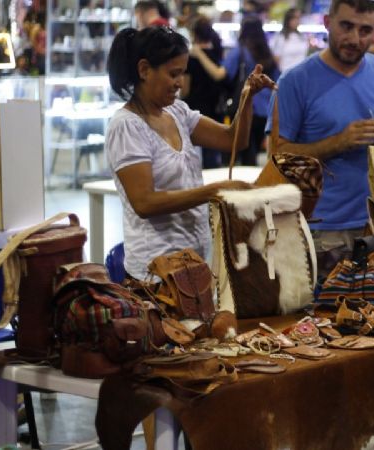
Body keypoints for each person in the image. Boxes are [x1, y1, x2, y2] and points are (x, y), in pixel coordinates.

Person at [105, 26, 275, 280]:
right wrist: (213, 192)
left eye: (183, 73)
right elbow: (144, 202)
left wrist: (247, 97)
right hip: (155, 273)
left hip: (192, 263)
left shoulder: (177, 112)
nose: (180, 83)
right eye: (173, 74)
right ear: (144, 70)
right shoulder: (127, 126)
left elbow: (233, 140)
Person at [267, 0, 374, 276]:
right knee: (319, 317)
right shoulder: (295, 81)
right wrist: (340, 142)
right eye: (346, 26)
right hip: (319, 230)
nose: (355, 39)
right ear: (327, 23)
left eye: (365, 30)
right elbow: (276, 154)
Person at [192, 16, 281, 166]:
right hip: (266, 112)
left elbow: (219, 74)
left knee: (242, 153)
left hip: (247, 108)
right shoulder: (268, 54)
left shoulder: (240, 51)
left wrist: (199, 54)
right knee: (255, 157)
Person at [182, 16, 227, 168]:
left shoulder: (191, 58)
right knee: (212, 151)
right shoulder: (218, 54)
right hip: (215, 108)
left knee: (191, 149)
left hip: (195, 107)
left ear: (194, 34)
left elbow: (185, 88)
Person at [270, 8, 309, 73]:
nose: (297, 21)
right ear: (288, 19)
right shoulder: (280, 37)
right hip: (286, 74)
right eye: (294, 18)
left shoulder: (301, 36)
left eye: (299, 18)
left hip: (301, 74)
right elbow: (276, 58)